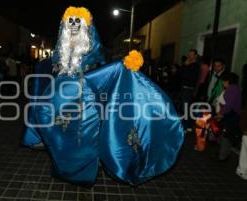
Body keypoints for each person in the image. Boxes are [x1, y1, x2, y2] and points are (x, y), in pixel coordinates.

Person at [22, 6, 184, 185]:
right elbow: (46, 81)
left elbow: (105, 74)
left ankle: (83, 169)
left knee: (84, 139)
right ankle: (66, 165)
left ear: (86, 26)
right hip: (60, 102)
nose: (74, 25)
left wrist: (125, 65)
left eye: (78, 21)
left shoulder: (94, 54)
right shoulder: (56, 56)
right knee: (56, 131)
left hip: (85, 104)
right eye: (70, 21)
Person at [215, 72, 242, 161]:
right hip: (233, 115)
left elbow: (229, 105)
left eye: (224, 81)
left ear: (228, 81)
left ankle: (223, 156)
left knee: (226, 135)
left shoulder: (231, 89)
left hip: (231, 116)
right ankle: (223, 154)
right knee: (227, 135)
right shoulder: (235, 88)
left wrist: (220, 114)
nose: (223, 83)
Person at [180, 49, 201, 131]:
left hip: (189, 89)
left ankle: (187, 126)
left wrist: (186, 66)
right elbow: (181, 74)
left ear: (195, 56)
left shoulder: (196, 66)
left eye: (191, 54)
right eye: (189, 54)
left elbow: (188, 77)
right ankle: (187, 125)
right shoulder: (187, 64)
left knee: (186, 108)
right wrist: (184, 65)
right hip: (184, 88)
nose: (189, 56)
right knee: (185, 108)